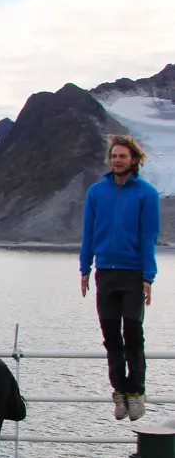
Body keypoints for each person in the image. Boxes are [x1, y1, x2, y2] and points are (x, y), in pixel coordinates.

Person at [80, 134, 160, 422]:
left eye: (123, 156)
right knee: (110, 335)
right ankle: (119, 390)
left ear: (134, 160)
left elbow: (149, 236)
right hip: (106, 272)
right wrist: (84, 269)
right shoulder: (96, 192)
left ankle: (136, 391)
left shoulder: (147, 194)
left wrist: (148, 277)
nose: (117, 160)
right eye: (114, 156)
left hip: (133, 273)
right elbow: (89, 233)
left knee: (133, 332)